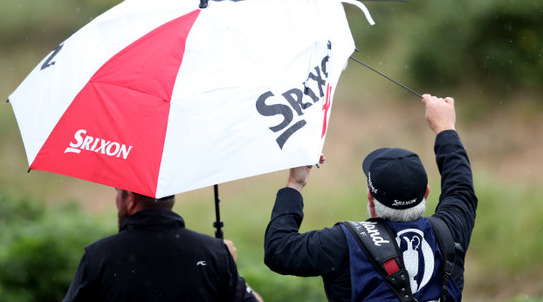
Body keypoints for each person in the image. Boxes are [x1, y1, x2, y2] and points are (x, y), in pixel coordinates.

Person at [264, 94, 477, 301]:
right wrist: (445, 128)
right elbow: (461, 187)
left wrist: (295, 183)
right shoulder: (451, 230)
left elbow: (278, 251)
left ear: (371, 201)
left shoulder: (342, 244)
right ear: (426, 193)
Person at [64, 188, 262, 301]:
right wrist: (229, 266)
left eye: (118, 192)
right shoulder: (213, 254)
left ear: (131, 200)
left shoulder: (98, 256)